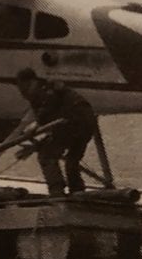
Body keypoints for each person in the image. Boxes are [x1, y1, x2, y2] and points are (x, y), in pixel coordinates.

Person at [12, 67, 96, 196]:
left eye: (24, 87)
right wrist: (33, 147)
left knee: (46, 156)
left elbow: (50, 108)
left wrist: (37, 123)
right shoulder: (47, 90)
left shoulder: (47, 92)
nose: (22, 93)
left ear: (32, 82)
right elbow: (52, 130)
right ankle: (78, 192)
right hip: (86, 123)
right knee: (72, 160)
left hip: (73, 123)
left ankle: (57, 192)